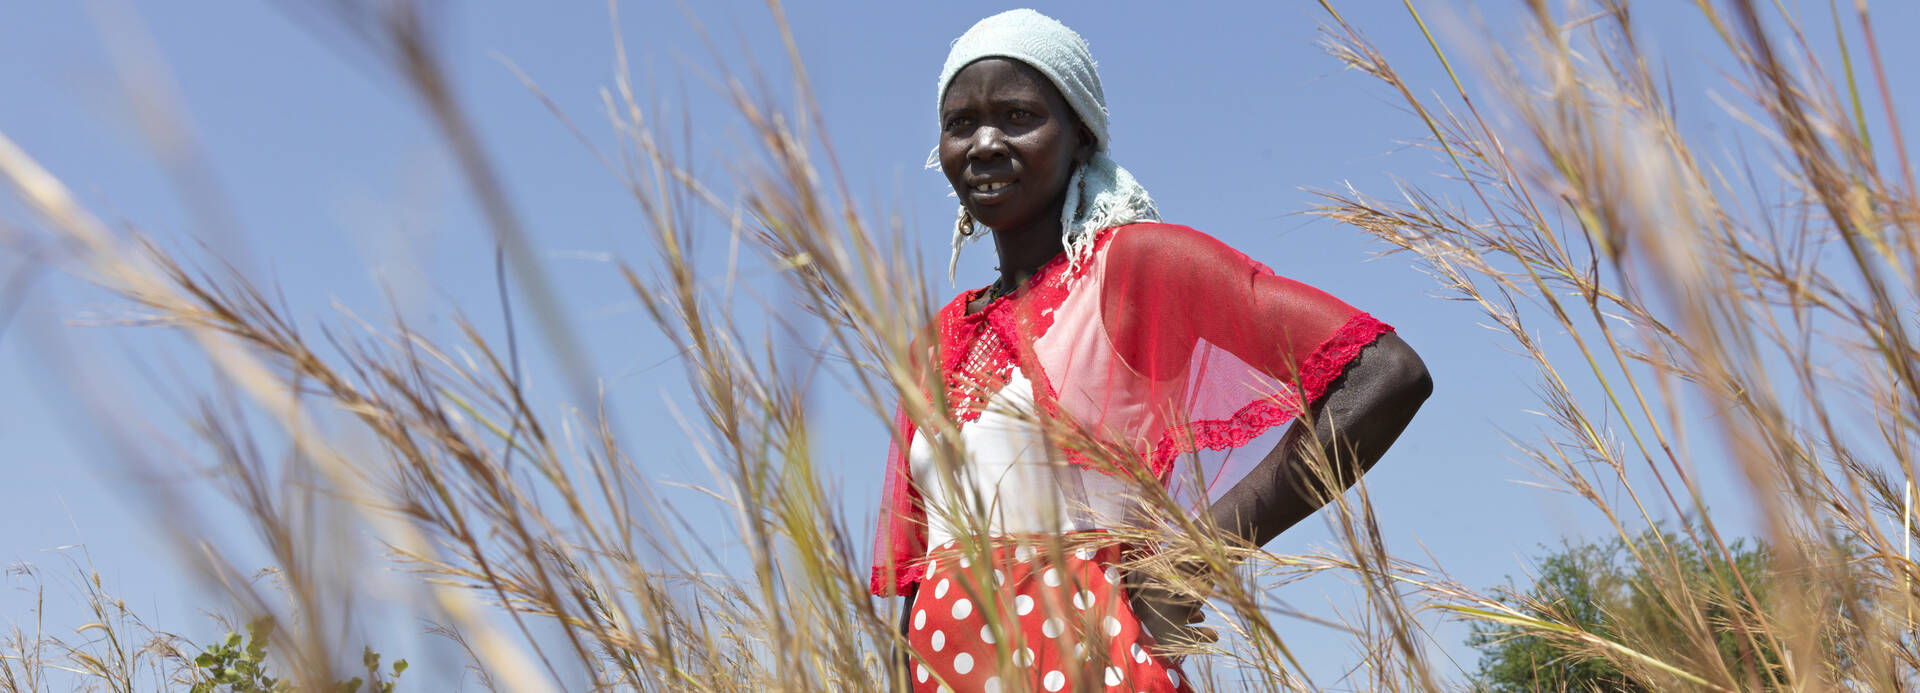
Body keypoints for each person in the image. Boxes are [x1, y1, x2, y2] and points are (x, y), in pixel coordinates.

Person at [870, 10, 1431, 692]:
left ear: (1079, 134)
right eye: (961, 123)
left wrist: (1190, 561)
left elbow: (1385, 375)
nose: (985, 143)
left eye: (1017, 116)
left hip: (1088, 662)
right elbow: (922, 569)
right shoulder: (933, 343)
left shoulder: (1132, 268)